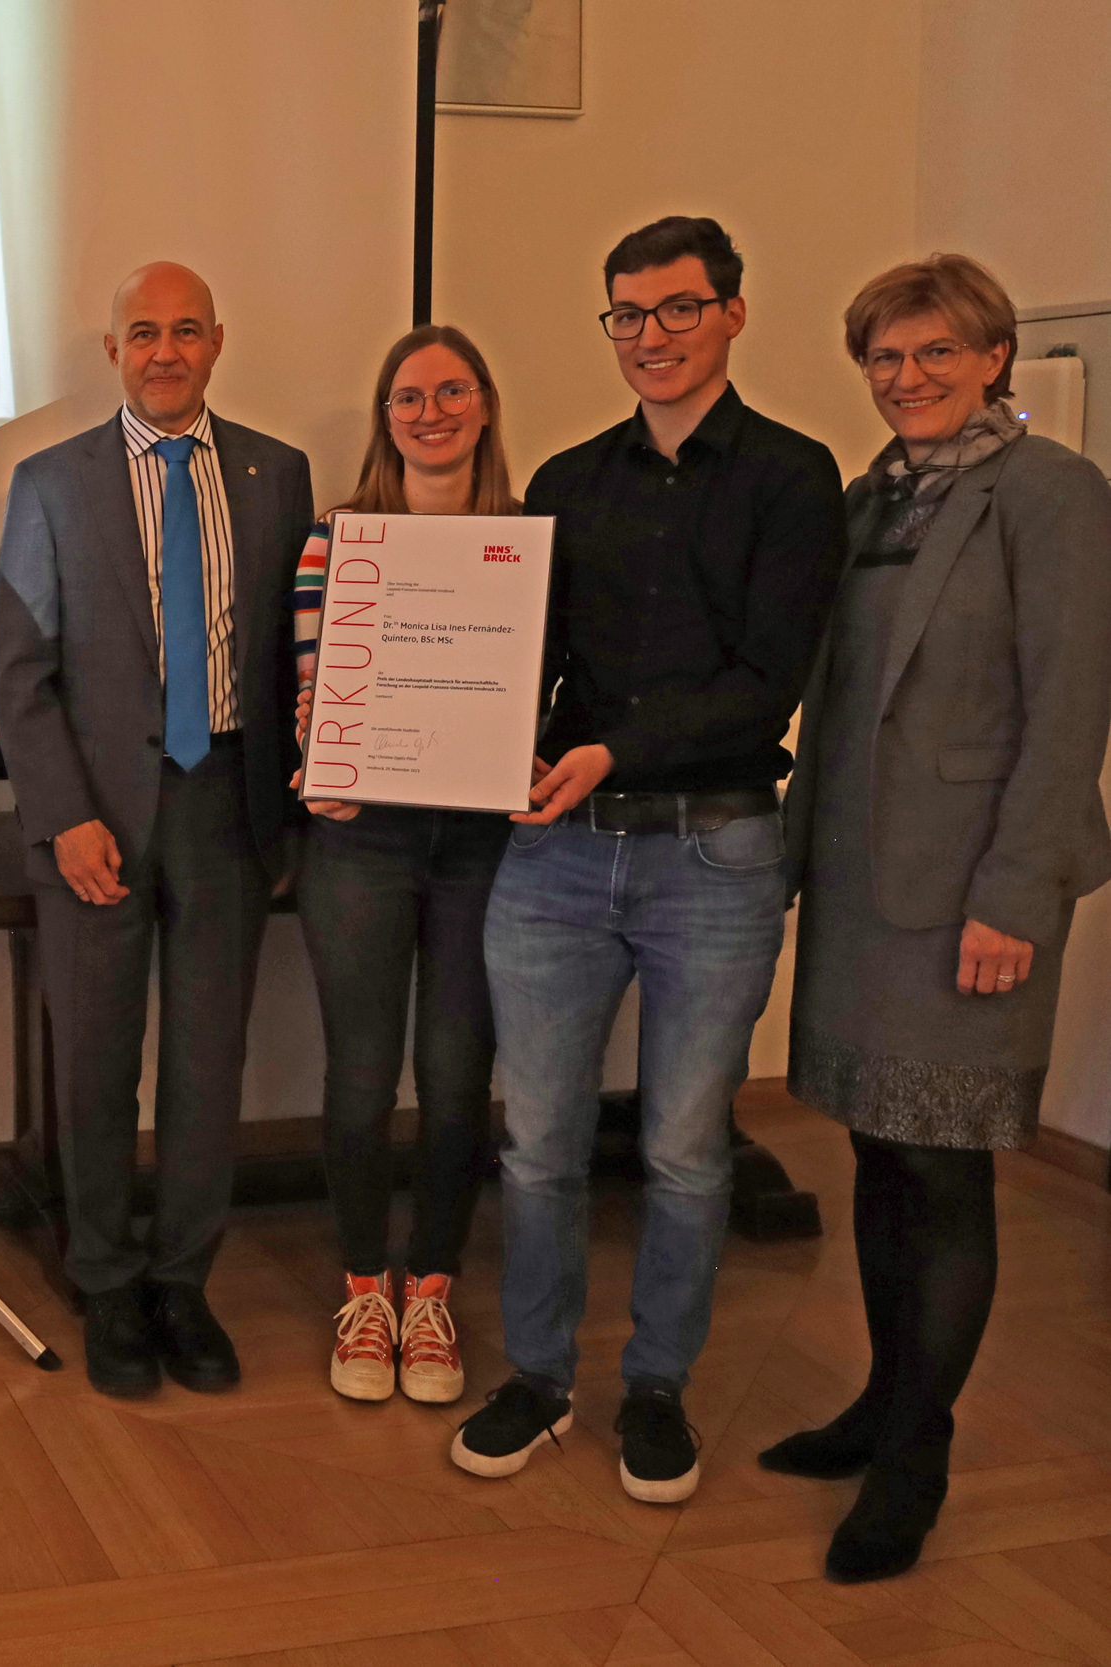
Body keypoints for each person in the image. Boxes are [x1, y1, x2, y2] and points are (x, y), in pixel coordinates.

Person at [449, 217, 847, 1502]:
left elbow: (765, 682)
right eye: (625, 315)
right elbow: (525, 662)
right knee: (539, 1140)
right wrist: (459, 740)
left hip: (715, 857)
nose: (650, 339)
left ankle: (659, 1383)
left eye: (676, 311)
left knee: (682, 1145)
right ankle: (541, 1375)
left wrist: (604, 753)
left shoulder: (794, 476)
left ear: (732, 313)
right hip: (557, 858)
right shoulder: (568, 477)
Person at [764, 254, 1111, 1582]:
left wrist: (1017, 893)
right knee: (878, 1148)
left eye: (934, 354)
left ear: (994, 357)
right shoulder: (874, 499)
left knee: (945, 1166)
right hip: (863, 888)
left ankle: (919, 1449)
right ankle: (878, 1398)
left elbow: (1069, 705)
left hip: (974, 895)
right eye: (885, 358)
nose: (906, 378)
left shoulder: (1051, 493)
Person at [0, 261, 312, 1398]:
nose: (164, 351)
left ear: (217, 342)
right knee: (93, 1061)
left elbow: (294, 653)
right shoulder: (50, 483)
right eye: (142, 333)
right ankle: (109, 1284)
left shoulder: (280, 475)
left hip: (227, 805)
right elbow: (21, 674)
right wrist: (64, 814)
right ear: (111, 352)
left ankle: (184, 1281)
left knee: (205, 1063)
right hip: (96, 821)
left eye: (185, 331)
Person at [289, 326, 520, 1406]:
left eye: (450, 391)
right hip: (360, 839)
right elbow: (304, 683)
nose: (430, 412)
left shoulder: (524, 541)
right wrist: (315, 757)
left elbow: (548, 692)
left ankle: (431, 1287)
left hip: (484, 842)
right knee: (358, 1073)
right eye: (406, 396)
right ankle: (363, 1285)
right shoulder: (332, 542)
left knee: (457, 1072)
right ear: (384, 416)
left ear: (483, 405)